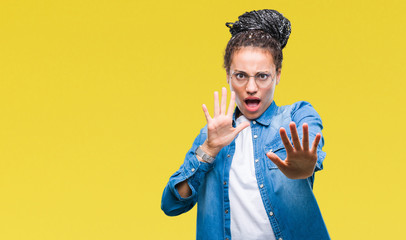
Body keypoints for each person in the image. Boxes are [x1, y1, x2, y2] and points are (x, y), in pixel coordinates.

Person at [161, 9, 330, 240]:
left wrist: (304, 167)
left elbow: (310, 145)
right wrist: (209, 150)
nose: (251, 87)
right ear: (229, 76)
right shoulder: (210, 136)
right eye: (241, 76)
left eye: (262, 76)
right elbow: (171, 205)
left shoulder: (296, 115)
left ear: (277, 75)